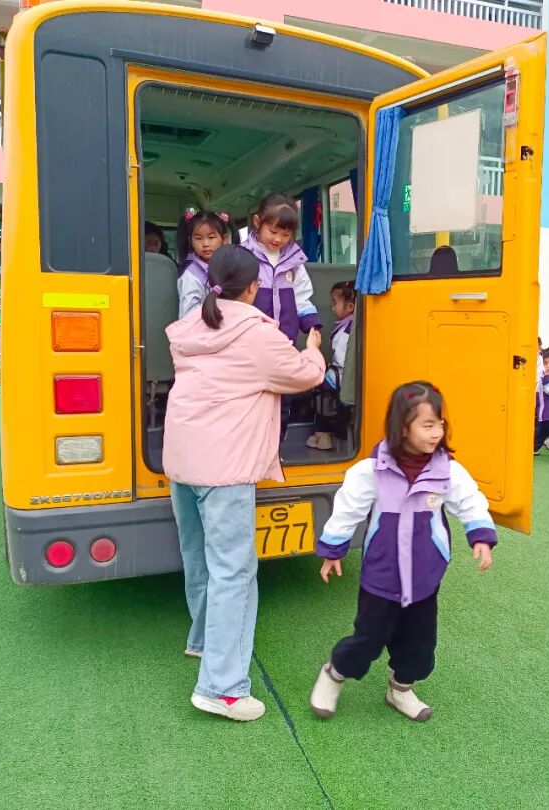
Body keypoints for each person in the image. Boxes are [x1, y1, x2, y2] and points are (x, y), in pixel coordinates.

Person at [163, 245, 326, 722]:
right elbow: (303, 375)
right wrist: (314, 349)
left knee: (199, 559)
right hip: (226, 467)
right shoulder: (257, 334)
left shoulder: (189, 326)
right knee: (233, 572)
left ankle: (202, 639)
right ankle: (223, 688)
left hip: (183, 460)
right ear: (255, 287)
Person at [309, 382, 496, 721]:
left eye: (441, 424)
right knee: (368, 639)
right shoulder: (372, 471)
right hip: (381, 576)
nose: (437, 432)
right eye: (428, 424)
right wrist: (333, 549)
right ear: (402, 426)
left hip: (424, 576)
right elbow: (348, 509)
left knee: (419, 645)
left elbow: (469, 501)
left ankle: (400, 690)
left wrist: (480, 536)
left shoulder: (447, 471)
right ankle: (335, 672)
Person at [242, 193, 322, 344]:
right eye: (273, 232)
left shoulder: (294, 261)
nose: (278, 239)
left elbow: (301, 296)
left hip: (286, 340)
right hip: (250, 341)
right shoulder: (242, 256)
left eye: (286, 235)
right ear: (257, 222)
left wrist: (312, 325)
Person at [307, 280, 357, 452]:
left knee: (317, 387)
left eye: (335, 303)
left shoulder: (347, 331)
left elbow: (342, 359)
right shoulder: (350, 325)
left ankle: (324, 431)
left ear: (349, 307)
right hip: (342, 374)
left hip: (341, 376)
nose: (333, 308)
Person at [176, 208, 231, 318]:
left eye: (211, 237)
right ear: (191, 241)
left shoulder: (229, 267)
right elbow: (188, 317)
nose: (205, 243)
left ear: (224, 239)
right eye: (198, 238)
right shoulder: (191, 275)